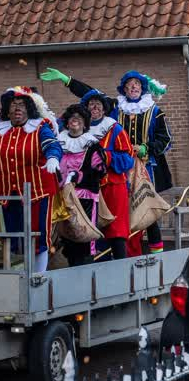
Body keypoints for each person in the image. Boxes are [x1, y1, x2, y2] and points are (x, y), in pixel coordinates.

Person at [40, 68, 172, 254]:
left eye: (136, 84)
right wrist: (67, 80)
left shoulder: (155, 112)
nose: (132, 87)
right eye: (128, 85)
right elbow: (90, 95)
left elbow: (165, 139)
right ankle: (116, 252)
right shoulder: (116, 107)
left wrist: (147, 148)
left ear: (143, 88)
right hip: (114, 171)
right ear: (123, 89)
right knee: (116, 214)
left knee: (146, 209)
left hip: (144, 166)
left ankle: (157, 256)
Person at [0, 86, 63, 273]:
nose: (17, 109)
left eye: (21, 105)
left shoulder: (39, 128)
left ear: (29, 109)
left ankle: (38, 276)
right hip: (4, 195)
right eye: (13, 105)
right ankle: (13, 276)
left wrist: (53, 157)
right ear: (7, 110)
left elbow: (51, 145)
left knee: (37, 237)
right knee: (8, 237)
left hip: (36, 194)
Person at [78, 89, 135, 260]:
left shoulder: (114, 129)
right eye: (91, 104)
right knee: (92, 231)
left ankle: (121, 269)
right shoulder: (81, 129)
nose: (94, 107)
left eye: (98, 104)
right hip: (88, 188)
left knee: (116, 232)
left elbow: (128, 158)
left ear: (104, 109)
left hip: (113, 187)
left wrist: (107, 156)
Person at [58, 104, 107, 266]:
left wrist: (78, 176)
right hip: (62, 198)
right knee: (67, 239)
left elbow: (100, 171)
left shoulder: (91, 145)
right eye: (72, 117)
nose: (75, 120)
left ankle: (86, 278)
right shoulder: (59, 143)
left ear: (85, 124)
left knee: (84, 237)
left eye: (79, 118)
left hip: (84, 199)